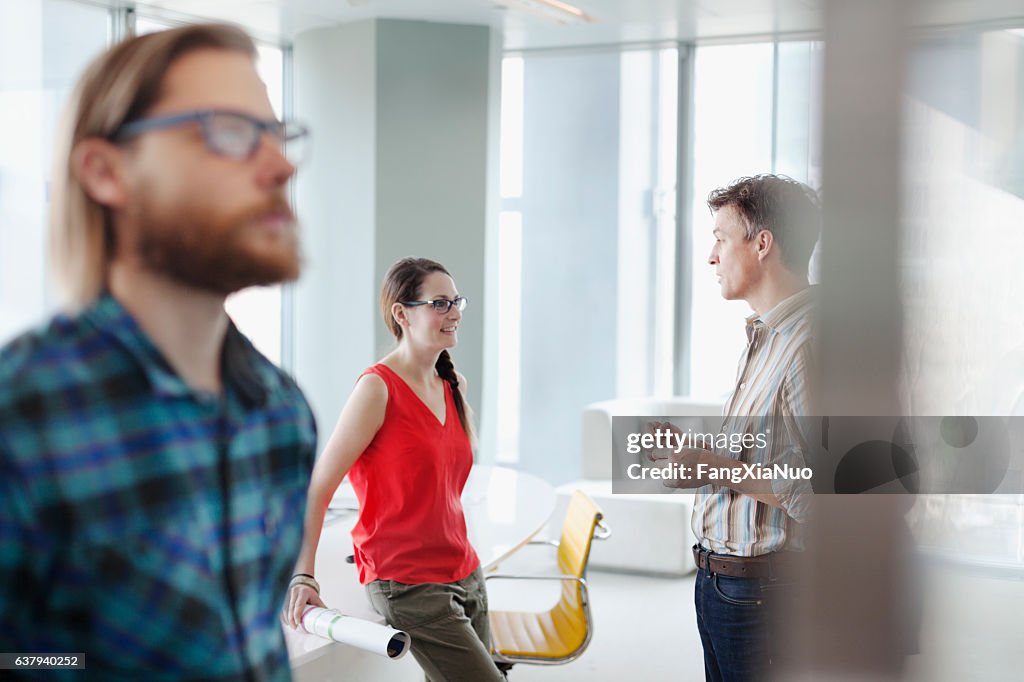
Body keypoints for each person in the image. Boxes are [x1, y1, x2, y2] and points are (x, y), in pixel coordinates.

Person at [0, 24, 316, 681]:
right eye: (230, 130)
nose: (280, 165)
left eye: (277, 132)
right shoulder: (22, 419)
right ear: (106, 172)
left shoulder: (282, 414)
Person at [283, 257, 504, 682]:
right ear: (402, 314)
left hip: (465, 568)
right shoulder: (376, 388)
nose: (454, 313)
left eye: (456, 301)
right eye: (440, 303)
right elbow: (318, 487)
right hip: (408, 582)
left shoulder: (451, 384)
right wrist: (303, 576)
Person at [651, 175, 821, 681]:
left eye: (721, 238)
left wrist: (715, 465)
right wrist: (700, 456)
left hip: (764, 594)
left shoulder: (809, 342)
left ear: (763, 243)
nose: (711, 256)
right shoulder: (766, 335)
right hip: (726, 585)